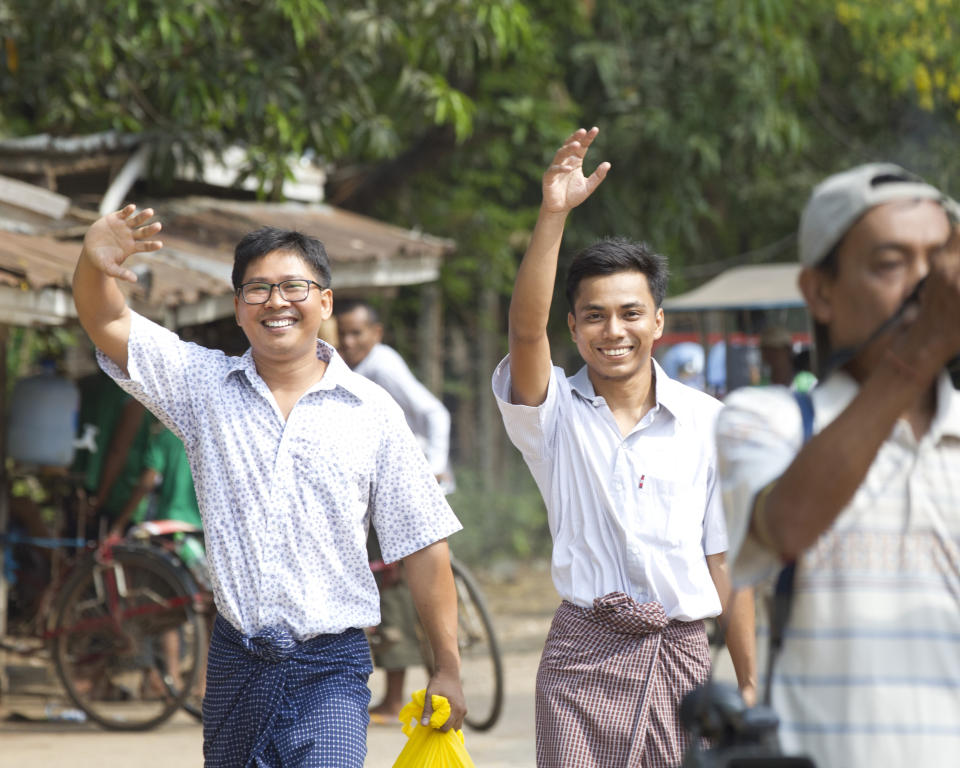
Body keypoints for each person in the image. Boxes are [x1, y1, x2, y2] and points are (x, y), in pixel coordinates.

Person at [72, 206, 465, 767]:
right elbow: (106, 321)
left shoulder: (372, 411)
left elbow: (425, 543)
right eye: (257, 289)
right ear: (237, 309)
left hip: (332, 667)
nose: (276, 302)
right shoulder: (202, 386)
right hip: (236, 665)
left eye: (293, 287)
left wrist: (446, 667)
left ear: (324, 301)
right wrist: (93, 261)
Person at [492, 127, 756, 767]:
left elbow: (726, 563)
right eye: (595, 315)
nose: (615, 330)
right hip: (580, 662)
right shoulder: (552, 415)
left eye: (631, 313)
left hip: (683, 659)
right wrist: (553, 215)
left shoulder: (707, 423)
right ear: (575, 328)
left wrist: (747, 680)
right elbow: (526, 331)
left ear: (658, 322)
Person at [716, 163, 960, 767]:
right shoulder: (766, 419)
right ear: (819, 293)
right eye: (890, 263)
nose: (925, 289)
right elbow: (790, 525)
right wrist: (920, 352)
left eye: (938, 263)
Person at [334, 299, 454, 722]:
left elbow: (434, 412)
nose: (349, 342)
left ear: (377, 334)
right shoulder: (354, 370)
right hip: (384, 489)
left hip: (404, 489)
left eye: (357, 333)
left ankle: (399, 693)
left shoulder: (382, 366)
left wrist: (435, 468)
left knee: (396, 592)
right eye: (343, 334)